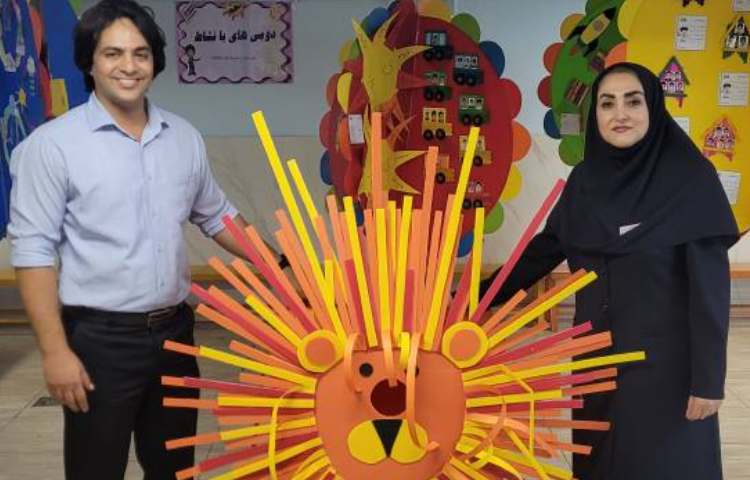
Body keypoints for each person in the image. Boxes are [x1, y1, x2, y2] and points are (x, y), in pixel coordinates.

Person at [7, 1, 274, 478]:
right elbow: (33, 254)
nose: (128, 66)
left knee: (174, 467)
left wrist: (280, 264)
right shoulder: (51, 147)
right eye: (112, 53)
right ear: (90, 61)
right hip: (99, 341)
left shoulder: (182, 137)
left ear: (155, 61)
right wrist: (55, 352)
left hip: (175, 334)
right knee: (96, 469)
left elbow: (217, 216)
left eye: (141, 53)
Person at [481, 62, 738, 479]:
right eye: (607, 103)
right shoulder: (585, 181)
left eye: (633, 102)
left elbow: (710, 293)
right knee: (600, 462)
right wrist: (478, 298)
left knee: (663, 466)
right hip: (595, 359)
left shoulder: (691, 180)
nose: (620, 114)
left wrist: (708, 381)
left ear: (653, 108)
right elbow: (543, 252)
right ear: (594, 115)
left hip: (665, 368)